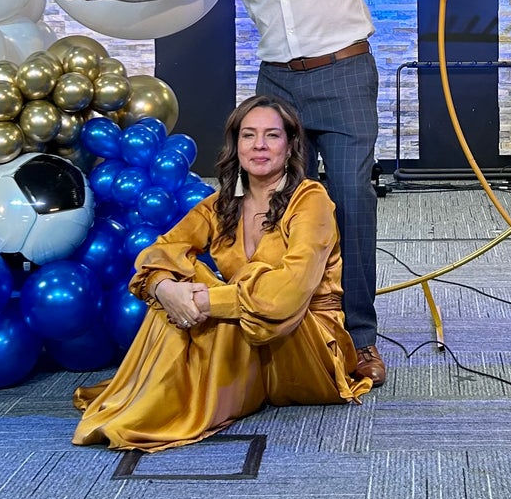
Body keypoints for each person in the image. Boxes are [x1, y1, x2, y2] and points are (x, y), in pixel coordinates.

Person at [62, 0, 478, 386]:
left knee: (351, 203)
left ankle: (359, 341)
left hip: (347, 72)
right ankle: (286, 325)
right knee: (269, 210)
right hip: (279, 87)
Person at [72, 95, 371, 451]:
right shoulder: (224, 202)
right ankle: (158, 403)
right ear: (236, 145)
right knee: (179, 277)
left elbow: (285, 296)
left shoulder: (311, 198)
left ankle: (164, 408)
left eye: (272, 136)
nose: (259, 145)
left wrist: (206, 301)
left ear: (291, 147)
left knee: (232, 282)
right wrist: (166, 288)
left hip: (305, 344)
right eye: (249, 135)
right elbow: (161, 250)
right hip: (251, 330)